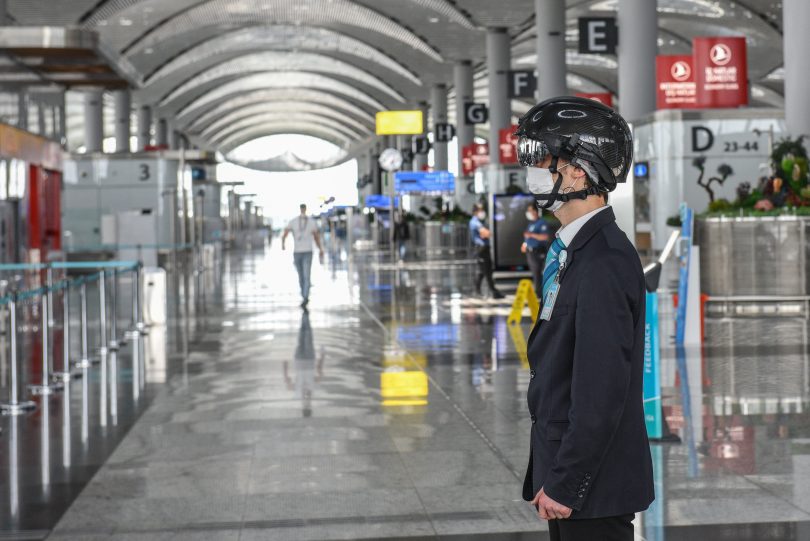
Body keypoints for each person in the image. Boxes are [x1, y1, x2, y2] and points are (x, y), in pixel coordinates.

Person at [515, 96, 654, 541]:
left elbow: (600, 390)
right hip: (574, 481)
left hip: (591, 488)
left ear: (578, 170)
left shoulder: (602, 262)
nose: (537, 171)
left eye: (547, 160)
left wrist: (566, 482)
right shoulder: (578, 252)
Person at [281, 203, 324, 309]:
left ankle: (305, 297)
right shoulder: (294, 221)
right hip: (297, 252)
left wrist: (320, 248)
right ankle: (304, 294)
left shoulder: (311, 222)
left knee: (306, 275)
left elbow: (316, 237)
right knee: (301, 276)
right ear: (301, 209)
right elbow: (286, 232)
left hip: (308, 251)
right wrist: (283, 243)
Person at [468, 203, 504, 299]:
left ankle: (492, 291)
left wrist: (486, 233)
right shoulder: (475, 222)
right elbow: (487, 233)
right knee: (483, 271)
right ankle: (479, 292)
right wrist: (486, 233)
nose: (482, 212)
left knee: (487, 271)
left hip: (484, 248)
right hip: (481, 248)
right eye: (480, 210)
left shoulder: (479, 222)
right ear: (475, 211)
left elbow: (486, 234)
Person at [521, 203, 551, 295]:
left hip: (538, 251)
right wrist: (525, 244)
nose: (528, 213)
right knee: (535, 273)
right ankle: (538, 292)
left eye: (530, 210)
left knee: (539, 273)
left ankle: (540, 294)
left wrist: (532, 235)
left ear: (535, 211)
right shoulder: (531, 224)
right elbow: (527, 237)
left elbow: (545, 237)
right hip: (530, 252)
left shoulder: (542, 222)